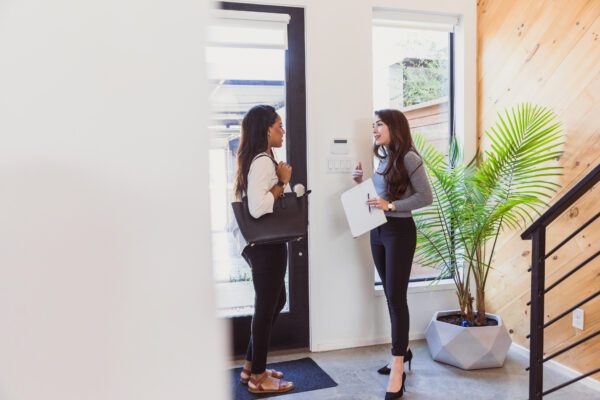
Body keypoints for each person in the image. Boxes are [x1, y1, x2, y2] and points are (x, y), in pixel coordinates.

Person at [352, 109, 433, 400]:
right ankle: (403, 351)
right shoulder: (384, 159)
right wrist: (360, 181)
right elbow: (380, 198)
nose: (374, 130)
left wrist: (392, 207)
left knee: (396, 298)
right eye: (373, 125)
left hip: (399, 233)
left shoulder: (410, 158)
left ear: (394, 127)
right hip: (378, 232)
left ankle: (398, 366)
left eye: (379, 125)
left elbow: (426, 197)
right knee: (390, 295)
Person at [233, 104, 295, 395]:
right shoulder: (261, 162)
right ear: (266, 129)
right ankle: (258, 377)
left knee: (275, 300)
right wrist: (282, 182)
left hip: (263, 244)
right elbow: (258, 208)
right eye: (279, 125)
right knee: (266, 305)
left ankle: (250, 366)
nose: (283, 131)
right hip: (265, 245)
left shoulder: (261, 159)